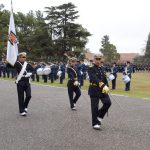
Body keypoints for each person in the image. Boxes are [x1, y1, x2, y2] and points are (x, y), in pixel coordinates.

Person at [88, 54, 111, 130]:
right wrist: (102, 85)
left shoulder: (102, 68)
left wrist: (106, 86)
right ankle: (95, 123)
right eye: (96, 59)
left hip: (102, 89)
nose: (98, 60)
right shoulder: (91, 68)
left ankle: (99, 116)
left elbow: (104, 79)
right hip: (94, 88)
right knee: (95, 107)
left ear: (101, 59)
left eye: (99, 59)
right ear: (94, 59)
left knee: (108, 103)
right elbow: (94, 78)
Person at [14, 52, 34, 116]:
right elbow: (9, 65)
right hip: (20, 82)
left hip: (27, 82)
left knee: (29, 95)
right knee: (21, 97)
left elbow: (33, 70)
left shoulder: (27, 64)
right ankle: (21, 111)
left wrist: (31, 74)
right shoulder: (16, 64)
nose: (24, 58)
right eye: (23, 57)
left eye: (25, 57)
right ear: (19, 57)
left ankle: (25, 106)